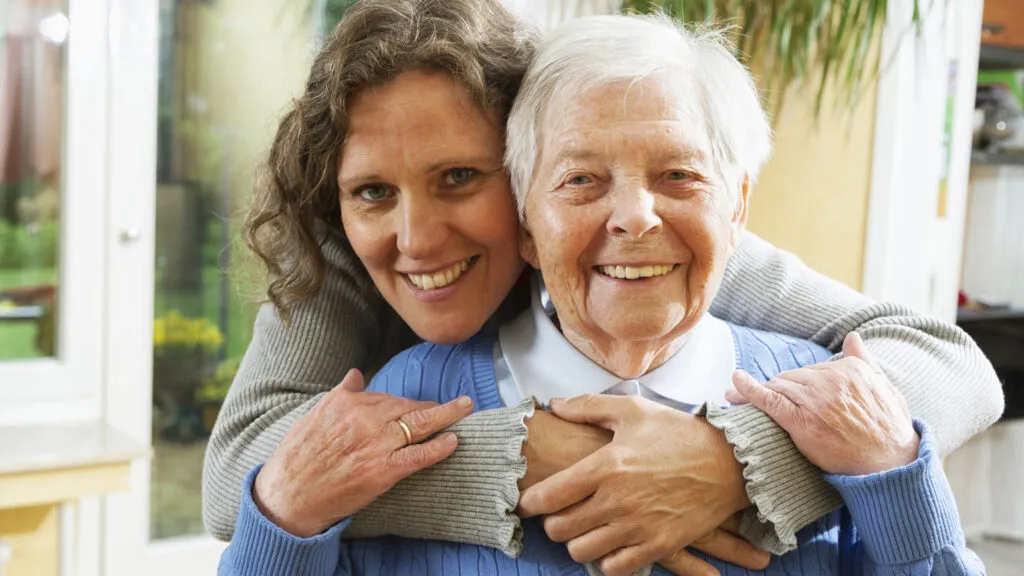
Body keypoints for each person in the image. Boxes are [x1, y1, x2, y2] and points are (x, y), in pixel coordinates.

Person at [203, 0, 1003, 573]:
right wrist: (520, 458)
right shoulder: (343, 275)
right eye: (581, 178)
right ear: (534, 206)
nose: (416, 237)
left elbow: (951, 364)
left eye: (457, 176)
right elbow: (243, 483)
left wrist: (738, 458)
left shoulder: (684, 246)